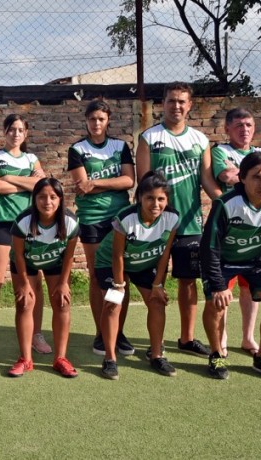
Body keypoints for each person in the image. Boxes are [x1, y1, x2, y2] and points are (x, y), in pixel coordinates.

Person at [135, 82, 219, 358]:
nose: (176, 106)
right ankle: (153, 343)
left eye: (182, 101)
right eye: (171, 100)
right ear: (163, 103)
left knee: (187, 281)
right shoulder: (149, 137)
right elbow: (144, 184)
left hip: (189, 223)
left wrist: (225, 201)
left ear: (190, 105)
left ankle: (186, 338)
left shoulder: (200, 140)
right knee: (150, 283)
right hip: (156, 226)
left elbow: (207, 180)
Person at [201, 152, 261, 381]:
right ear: (242, 178)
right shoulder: (225, 204)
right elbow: (209, 248)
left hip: (256, 259)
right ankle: (216, 354)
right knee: (217, 301)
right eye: (256, 177)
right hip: (222, 261)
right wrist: (218, 284)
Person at [210, 108, 261, 357]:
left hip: (256, 234)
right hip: (230, 230)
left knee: (250, 289)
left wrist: (241, 175)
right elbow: (225, 175)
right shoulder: (220, 151)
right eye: (239, 125)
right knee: (223, 291)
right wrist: (238, 175)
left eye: (249, 125)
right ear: (227, 128)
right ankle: (221, 338)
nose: (245, 130)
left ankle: (248, 337)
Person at [67, 101, 136, 356]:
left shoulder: (120, 146)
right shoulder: (77, 149)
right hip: (92, 218)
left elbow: (129, 180)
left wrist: (96, 182)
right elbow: (81, 185)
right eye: (92, 119)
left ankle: (117, 331)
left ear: (108, 121)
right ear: (86, 121)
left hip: (119, 217)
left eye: (101, 119)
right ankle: (100, 332)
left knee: (121, 277)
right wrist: (110, 183)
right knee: (98, 277)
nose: (96, 123)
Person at [94, 172, 179, 379]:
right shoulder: (126, 218)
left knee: (157, 302)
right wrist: (119, 284)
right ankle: (110, 358)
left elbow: (165, 253)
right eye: (150, 198)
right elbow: (117, 255)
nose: (155, 204)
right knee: (114, 303)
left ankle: (157, 355)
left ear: (167, 200)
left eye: (161, 199)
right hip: (110, 263)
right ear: (140, 197)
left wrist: (158, 285)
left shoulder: (172, 218)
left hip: (144, 264)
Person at [0, 114, 46, 356]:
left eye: (20, 130)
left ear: (25, 134)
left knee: (33, 283)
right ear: (4, 132)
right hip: (1, 224)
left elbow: (43, 185)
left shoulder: (32, 158)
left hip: (29, 226)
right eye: (11, 129)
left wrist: (9, 177)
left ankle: (36, 334)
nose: (16, 134)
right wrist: (27, 182)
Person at [9, 178, 79, 378]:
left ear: (60, 199)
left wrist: (64, 283)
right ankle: (26, 359)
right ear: (34, 199)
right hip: (25, 263)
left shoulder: (70, 222)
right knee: (24, 303)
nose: (47, 201)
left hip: (55, 262)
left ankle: (60, 358)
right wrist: (23, 283)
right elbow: (19, 255)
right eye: (41, 197)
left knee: (62, 302)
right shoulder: (23, 221)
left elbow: (69, 255)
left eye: (52, 197)